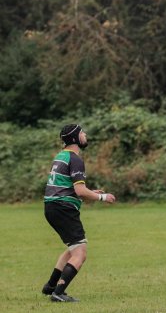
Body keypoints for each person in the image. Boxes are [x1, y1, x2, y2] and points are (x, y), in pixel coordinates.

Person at [42, 124, 116, 302]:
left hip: (52, 207)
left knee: (72, 249)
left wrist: (92, 193)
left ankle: (51, 285)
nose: (85, 135)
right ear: (75, 138)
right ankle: (58, 293)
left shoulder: (61, 156)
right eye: (82, 132)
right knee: (80, 253)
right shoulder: (75, 159)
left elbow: (72, 188)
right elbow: (80, 191)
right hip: (63, 208)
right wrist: (103, 197)